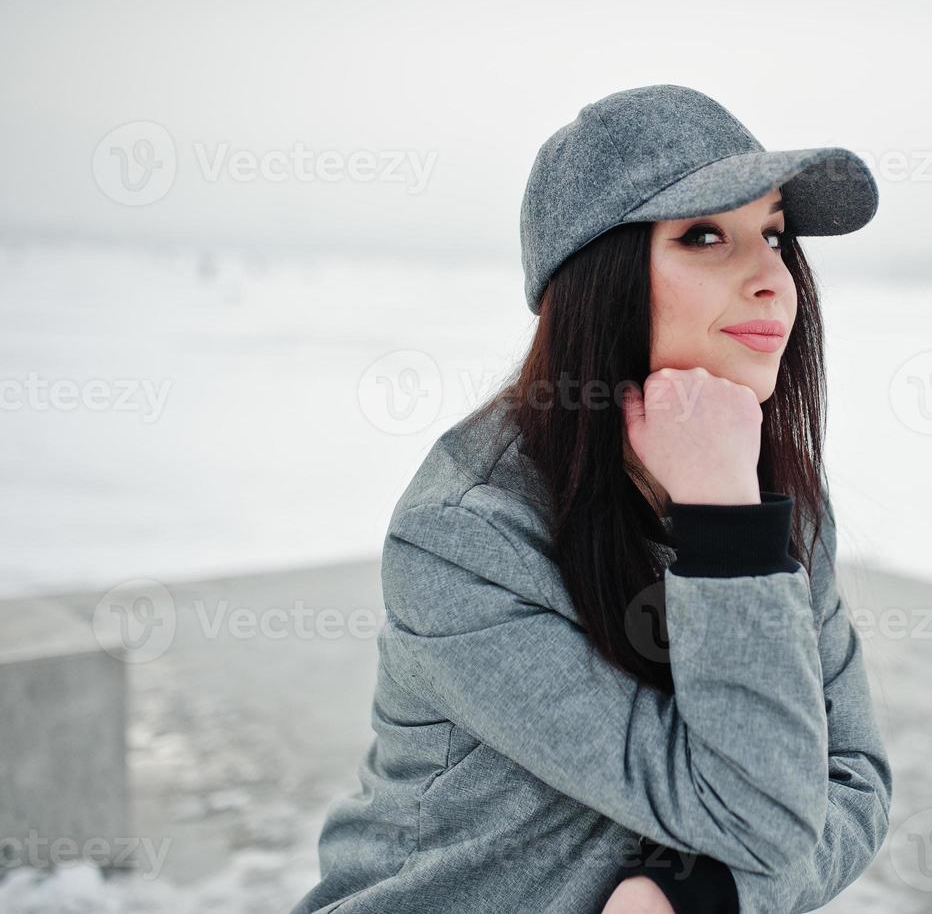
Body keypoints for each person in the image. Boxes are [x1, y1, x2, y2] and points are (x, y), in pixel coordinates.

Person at [290, 83, 892, 913]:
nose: (772, 281)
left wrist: (687, 894)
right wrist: (719, 526)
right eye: (706, 235)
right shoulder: (465, 536)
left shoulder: (762, 489)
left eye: (775, 235)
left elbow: (851, 777)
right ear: (598, 279)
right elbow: (765, 819)